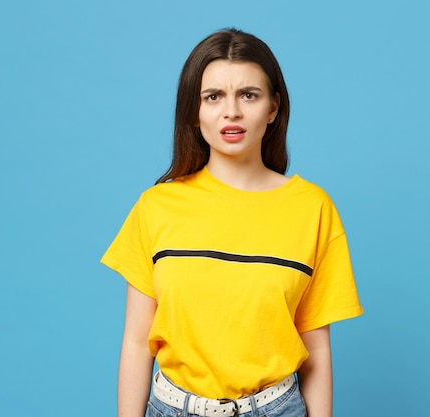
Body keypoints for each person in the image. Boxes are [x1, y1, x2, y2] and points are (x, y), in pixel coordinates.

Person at [102, 28, 363, 417]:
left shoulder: (313, 208)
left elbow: (317, 349)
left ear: (273, 108)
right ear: (194, 111)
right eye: (213, 97)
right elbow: (138, 341)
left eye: (249, 95)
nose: (232, 112)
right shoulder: (156, 206)